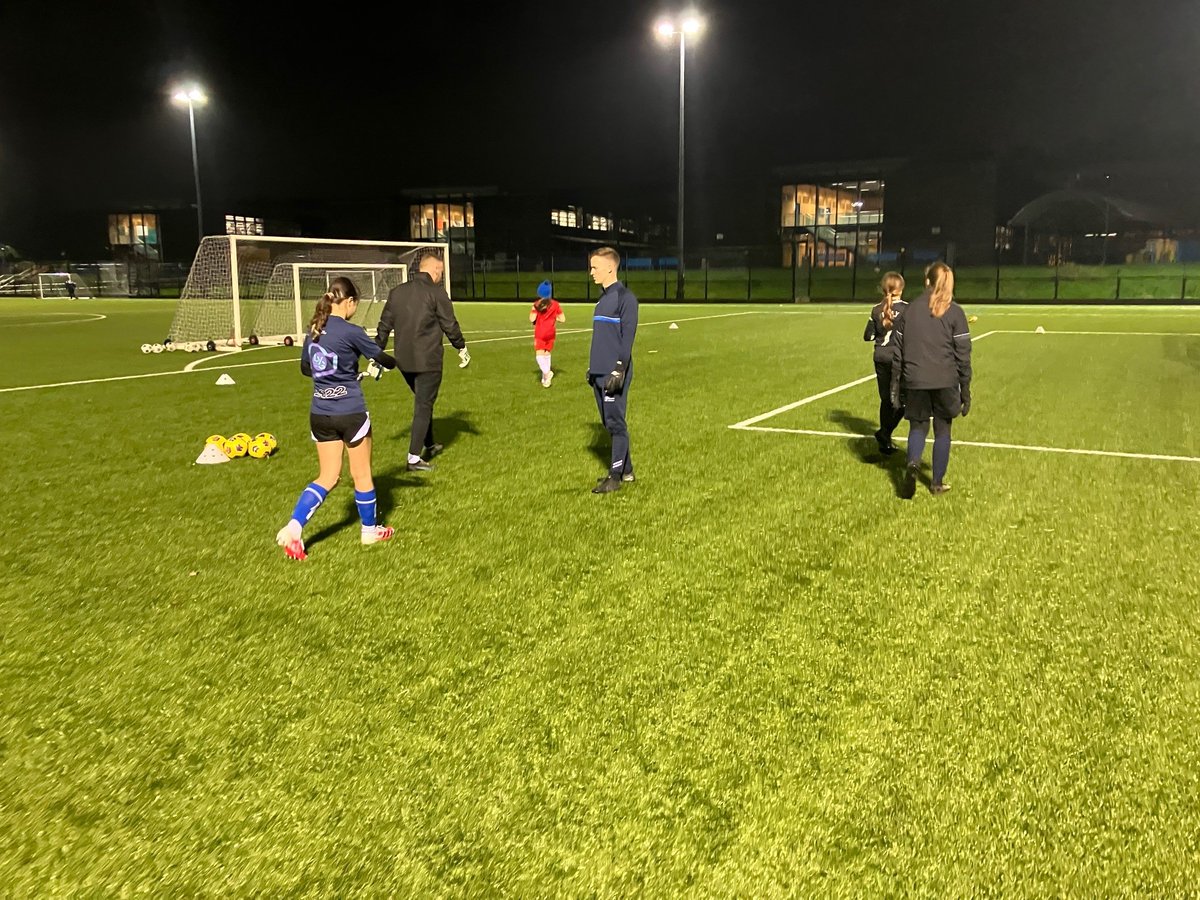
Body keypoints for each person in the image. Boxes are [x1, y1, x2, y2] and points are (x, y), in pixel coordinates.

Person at [276, 276, 399, 560]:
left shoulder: (315, 330)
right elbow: (382, 358)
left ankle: (295, 526)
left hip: (320, 413)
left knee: (328, 476)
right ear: (350, 302)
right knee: (362, 473)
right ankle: (369, 531)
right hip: (350, 412)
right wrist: (391, 365)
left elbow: (307, 369)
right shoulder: (351, 331)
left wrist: (338, 375)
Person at [374, 251, 470, 472]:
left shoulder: (397, 292)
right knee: (423, 405)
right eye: (441, 272)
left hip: (404, 361)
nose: (441, 276)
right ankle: (414, 458)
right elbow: (450, 324)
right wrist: (461, 346)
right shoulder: (437, 293)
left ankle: (429, 443)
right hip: (428, 360)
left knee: (423, 401)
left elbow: (384, 325)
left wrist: (376, 354)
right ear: (435, 269)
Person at [890, 261, 972, 499]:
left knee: (918, 426)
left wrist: (896, 385)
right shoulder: (955, 312)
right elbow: (963, 356)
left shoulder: (910, 310)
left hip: (915, 380)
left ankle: (913, 464)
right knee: (943, 429)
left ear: (927, 281)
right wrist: (965, 389)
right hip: (946, 381)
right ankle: (936, 483)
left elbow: (898, 352)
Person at [586, 247, 638, 494]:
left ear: (610, 268)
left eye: (595, 267)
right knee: (609, 423)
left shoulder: (625, 298)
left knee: (616, 423)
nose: (591, 272)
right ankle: (627, 471)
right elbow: (602, 340)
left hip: (613, 373)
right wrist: (592, 370)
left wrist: (619, 370)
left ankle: (615, 476)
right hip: (599, 372)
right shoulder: (602, 299)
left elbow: (627, 339)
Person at [863, 271, 907, 455]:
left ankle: (885, 442)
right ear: (901, 289)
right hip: (898, 358)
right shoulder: (908, 309)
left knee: (885, 400)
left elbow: (868, 336)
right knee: (903, 400)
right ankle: (884, 432)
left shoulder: (875, 309)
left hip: (880, 357)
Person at [530, 279, 565, 387]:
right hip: (551, 332)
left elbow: (532, 319)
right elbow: (563, 319)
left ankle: (547, 373)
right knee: (547, 353)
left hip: (540, 332)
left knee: (539, 354)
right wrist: (554, 317)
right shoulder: (556, 304)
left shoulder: (537, 304)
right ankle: (545, 379)